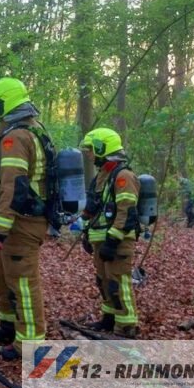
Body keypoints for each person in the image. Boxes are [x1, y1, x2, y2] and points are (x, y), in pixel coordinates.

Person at [0, 77, 50, 361]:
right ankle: (8, 325)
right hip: (22, 220)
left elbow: (13, 186)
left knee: (23, 282)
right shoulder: (30, 130)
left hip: (21, 223)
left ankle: (29, 343)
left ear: (5, 103)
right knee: (2, 274)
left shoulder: (16, 138)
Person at [79, 127, 140, 338]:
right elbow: (94, 208)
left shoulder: (123, 176)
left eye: (91, 149)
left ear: (102, 148)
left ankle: (127, 326)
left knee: (118, 282)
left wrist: (112, 241)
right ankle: (109, 319)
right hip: (100, 240)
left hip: (118, 242)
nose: (89, 154)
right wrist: (86, 231)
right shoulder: (101, 176)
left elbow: (126, 211)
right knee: (103, 280)